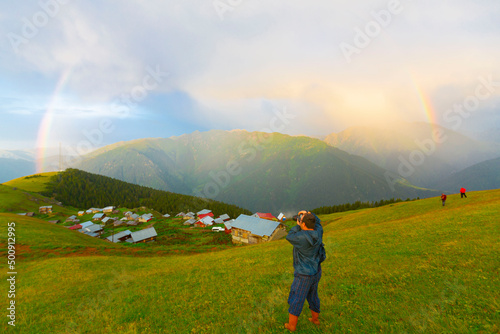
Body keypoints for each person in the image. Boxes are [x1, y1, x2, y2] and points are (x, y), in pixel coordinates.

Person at [284, 211, 324, 332]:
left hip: (303, 274)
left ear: (303, 224)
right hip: (316, 271)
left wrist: (297, 225)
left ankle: (292, 326)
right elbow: (318, 222)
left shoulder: (300, 237)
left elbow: (289, 236)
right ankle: (315, 319)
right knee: (313, 295)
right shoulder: (318, 232)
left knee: (297, 298)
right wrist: (308, 214)